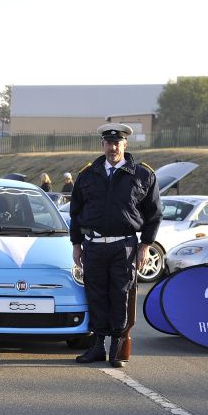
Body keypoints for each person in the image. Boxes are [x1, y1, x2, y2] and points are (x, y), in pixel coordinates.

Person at [69, 123, 161, 368]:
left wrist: (145, 245)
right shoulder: (88, 175)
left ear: (125, 144)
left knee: (120, 296)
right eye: (108, 143)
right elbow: (76, 212)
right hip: (94, 245)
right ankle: (97, 346)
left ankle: (117, 349)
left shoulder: (142, 175)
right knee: (96, 295)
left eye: (117, 143)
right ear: (102, 145)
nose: (113, 147)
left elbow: (153, 214)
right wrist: (76, 244)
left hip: (125, 247)